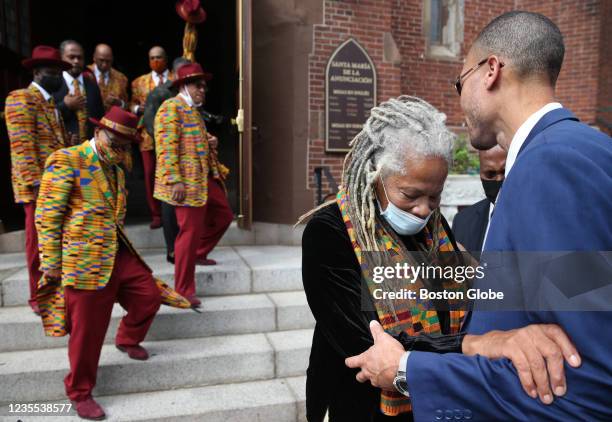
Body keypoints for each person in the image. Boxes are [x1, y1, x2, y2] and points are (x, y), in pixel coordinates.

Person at [345, 12, 612, 420]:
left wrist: (406, 371)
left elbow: (581, 380)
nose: (459, 99)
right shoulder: (583, 149)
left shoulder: (551, 164)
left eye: (459, 82)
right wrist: (495, 340)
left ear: (491, 70)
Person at [300, 96, 575, 421]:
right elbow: (368, 343)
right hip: (362, 402)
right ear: (376, 174)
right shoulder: (330, 232)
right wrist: (479, 344)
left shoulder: (433, 225)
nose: (424, 210)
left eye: (434, 196)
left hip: (429, 398)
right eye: (410, 195)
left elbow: (469, 287)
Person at [35, 106, 190, 420]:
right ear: (97, 132)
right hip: (83, 261)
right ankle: (79, 391)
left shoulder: (117, 169)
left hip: (117, 252)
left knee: (149, 295)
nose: (119, 150)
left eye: (124, 145)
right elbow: (47, 216)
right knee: (87, 332)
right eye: (114, 141)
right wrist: (51, 261)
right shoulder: (66, 159)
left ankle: (127, 337)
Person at [154, 62, 232, 307]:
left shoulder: (193, 111)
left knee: (224, 215)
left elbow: (189, 141)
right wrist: (174, 180)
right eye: (198, 85)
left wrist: (207, 141)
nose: (203, 90)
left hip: (203, 178)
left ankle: (197, 254)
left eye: (204, 86)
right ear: (184, 86)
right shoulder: (170, 108)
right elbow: (166, 148)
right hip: (185, 184)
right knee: (187, 234)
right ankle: (183, 289)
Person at [4, 45, 70, 315]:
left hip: (58, 184)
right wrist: (35, 183)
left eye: (59, 73)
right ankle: (37, 297)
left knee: (55, 241)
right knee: (37, 243)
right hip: (38, 187)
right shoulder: (21, 98)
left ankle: (56, 290)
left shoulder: (49, 102)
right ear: (38, 73)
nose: (58, 78)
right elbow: (22, 146)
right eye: (53, 73)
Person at [143, 56, 190, 263]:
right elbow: (151, 124)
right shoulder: (160, 93)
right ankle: (172, 249)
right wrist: (171, 145)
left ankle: (185, 248)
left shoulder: (191, 94)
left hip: (188, 161)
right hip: (166, 155)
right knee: (170, 204)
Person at [130, 46, 174, 229]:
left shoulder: (175, 80)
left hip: (172, 135)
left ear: (166, 59)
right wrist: (136, 109)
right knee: (150, 174)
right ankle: (156, 214)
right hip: (147, 136)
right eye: (152, 58)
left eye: (159, 57)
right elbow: (131, 103)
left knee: (171, 172)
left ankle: (171, 212)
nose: (156, 61)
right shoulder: (138, 82)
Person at [452, 144, 506, 252]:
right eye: (490, 174)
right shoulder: (463, 222)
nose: (499, 179)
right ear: (480, 173)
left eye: (505, 172)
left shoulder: (536, 218)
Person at [53, 40, 105, 145]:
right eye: (71, 57)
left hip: (90, 148)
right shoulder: (53, 84)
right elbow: (45, 116)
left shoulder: (93, 86)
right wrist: (65, 106)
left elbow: (100, 117)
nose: (76, 61)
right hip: (63, 148)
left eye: (80, 58)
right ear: (62, 58)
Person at [88, 43, 129, 111]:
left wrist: (119, 103)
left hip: (112, 120)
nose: (104, 64)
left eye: (108, 61)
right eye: (101, 60)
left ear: (112, 59)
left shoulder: (122, 78)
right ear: (94, 58)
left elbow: (127, 105)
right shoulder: (85, 74)